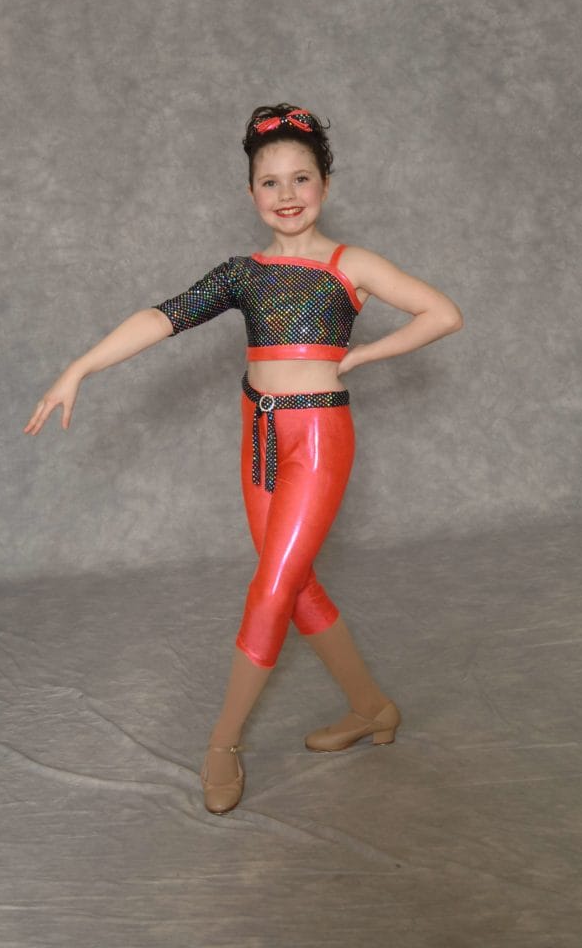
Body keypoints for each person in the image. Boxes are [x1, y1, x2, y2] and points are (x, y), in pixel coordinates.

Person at [24, 103, 464, 815]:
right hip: (257, 431)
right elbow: (163, 316)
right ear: (251, 192)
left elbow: (442, 313)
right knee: (294, 585)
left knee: (271, 587)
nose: (287, 194)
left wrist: (360, 357)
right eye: (270, 182)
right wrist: (81, 367)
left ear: (326, 183)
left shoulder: (351, 265)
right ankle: (372, 707)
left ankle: (222, 742)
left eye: (301, 178)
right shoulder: (242, 272)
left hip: (318, 435)